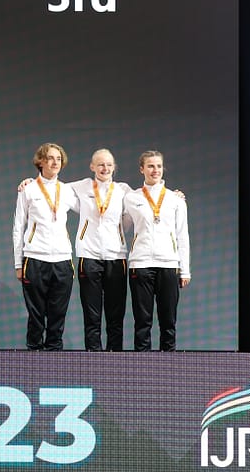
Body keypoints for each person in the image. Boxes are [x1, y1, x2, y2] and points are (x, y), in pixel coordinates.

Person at [12, 143, 79, 351]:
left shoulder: (67, 190)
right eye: (50, 158)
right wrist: (18, 263)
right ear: (40, 161)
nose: (55, 162)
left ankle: (54, 354)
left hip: (62, 259)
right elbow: (18, 227)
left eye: (58, 158)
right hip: (35, 258)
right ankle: (34, 351)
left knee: (58, 314)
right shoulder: (28, 189)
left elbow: (92, 205)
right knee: (36, 314)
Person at [121, 150, 190, 351]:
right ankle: (142, 363)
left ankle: (168, 363)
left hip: (168, 263)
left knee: (168, 320)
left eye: (159, 166)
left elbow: (182, 235)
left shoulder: (175, 199)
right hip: (140, 263)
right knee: (142, 321)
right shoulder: (131, 198)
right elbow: (122, 227)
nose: (155, 170)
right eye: (150, 166)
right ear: (141, 169)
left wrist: (184, 270)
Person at [70, 149, 132, 351]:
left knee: (116, 314)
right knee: (92, 314)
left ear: (114, 167)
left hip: (116, 256)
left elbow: (144, 202)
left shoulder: (123, 190)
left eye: (109, 164)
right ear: (92, 167)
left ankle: (115, 357)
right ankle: (93, 356)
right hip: (88, 255)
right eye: (100, 164)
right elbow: (54, 189)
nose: (105, 168)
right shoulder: (82, 186)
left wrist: (175, 195)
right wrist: (30, 182)